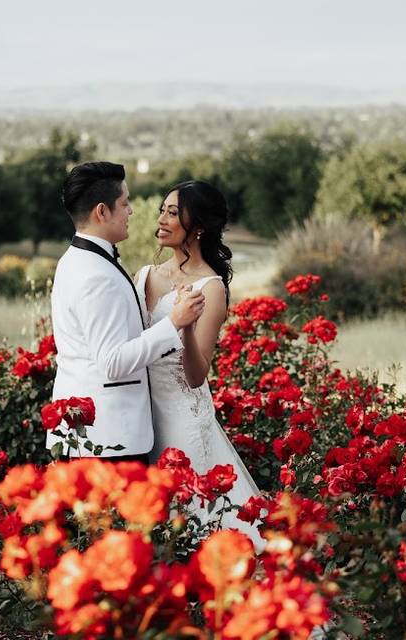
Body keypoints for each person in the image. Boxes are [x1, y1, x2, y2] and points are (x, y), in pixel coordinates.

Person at [134, 180, 264, 549]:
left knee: (190, 519)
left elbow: (196, 375)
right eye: (162, 210)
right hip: (141, 411)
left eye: (173, 213)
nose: (161, 219)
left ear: (200, 225)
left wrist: (186, 328)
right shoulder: (144, 276)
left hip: (182, 418)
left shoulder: (211, 288)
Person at [48, 162, 206, 463]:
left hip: (91, 436)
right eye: (125, 203)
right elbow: (112, 362)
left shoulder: (75, 260)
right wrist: (174, 322)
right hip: (108, 441)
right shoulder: (96, 275)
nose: (131, 211)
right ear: (102, 212)